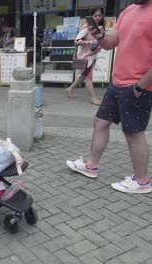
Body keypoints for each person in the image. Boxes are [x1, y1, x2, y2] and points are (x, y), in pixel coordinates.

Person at [66, 0, 152, 194]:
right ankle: (91, 165)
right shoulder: (129, 10)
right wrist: (100, 35)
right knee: (100, 123)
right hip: (117, 83)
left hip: (138, 86)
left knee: (133, 134)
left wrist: (140, 86)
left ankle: (142, 181)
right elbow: (111, 41)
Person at [65, 7, 104, 106]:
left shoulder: (101, 27)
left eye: (99, 15)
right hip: (85, 56)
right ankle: (93, 98)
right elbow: (77, 41)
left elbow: (100, 42)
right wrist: (90, 42)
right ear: (91, 16)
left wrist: (99, 44)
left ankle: (70, 88)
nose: (98, 17)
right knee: (88, 77)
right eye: (95, 15)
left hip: (94, 55)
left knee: (83, 76)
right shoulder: (86, 27)